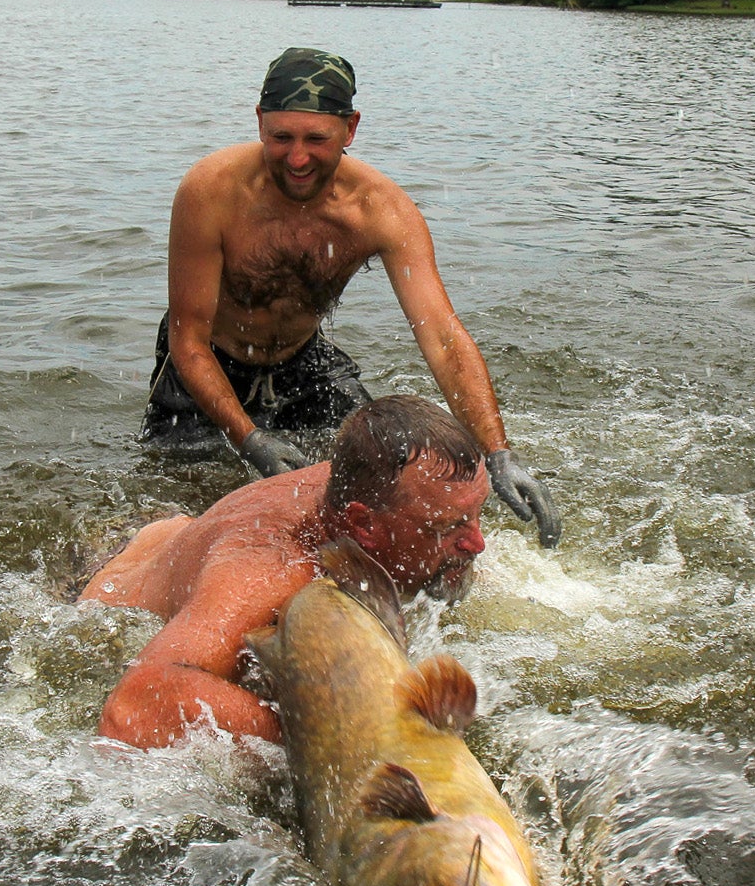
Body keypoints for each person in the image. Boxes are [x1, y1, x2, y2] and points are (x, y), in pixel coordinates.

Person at [137, 46, 561, 548]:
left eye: (316, 139)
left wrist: (498, 454)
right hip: (205, 366)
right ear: (259, 123)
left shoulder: (380, 211)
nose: (297, 159)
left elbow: (443, 338)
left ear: (350, 129)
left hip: (305, 364)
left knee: (382, 480)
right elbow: (188, 341)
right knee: (177, 520)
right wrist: (249, 439)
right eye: (281, 137)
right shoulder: (211, 192)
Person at [91, 396, 490, 749]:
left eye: (477, 513)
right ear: (363, 524)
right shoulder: (270, 570)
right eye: (447, 528)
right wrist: (326, 741)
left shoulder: (387, 480)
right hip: (111, 593)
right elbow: (135, 706)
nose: (478, 543)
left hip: (184, 540)